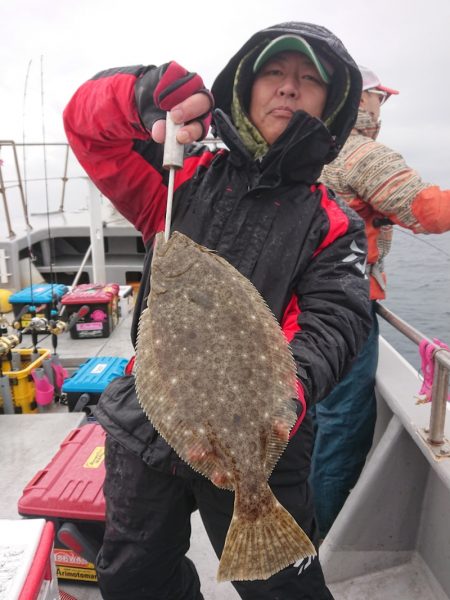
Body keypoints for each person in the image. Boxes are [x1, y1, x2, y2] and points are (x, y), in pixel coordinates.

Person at [63, 22, 371, 600]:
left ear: (331, 103)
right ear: (245, 86)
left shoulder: (332, 223)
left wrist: (281, 398)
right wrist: (140, 94)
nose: (288, 88)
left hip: (261, 436)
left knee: (283, 589)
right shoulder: (179, 177)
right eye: (274, 73)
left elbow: (335, 322)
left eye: (308, 80)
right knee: (133, 578)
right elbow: (88, 128)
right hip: (148, 417)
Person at [311, 65, 450, 539]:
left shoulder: (311, 148)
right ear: (358, 100)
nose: (379, 109)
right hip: (344, 306)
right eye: (377, 98)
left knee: (312, 416)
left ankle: (298, 522)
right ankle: (324, 539)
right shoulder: (361, 153)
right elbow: (429, 212)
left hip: (300, 305)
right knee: (344, 424)